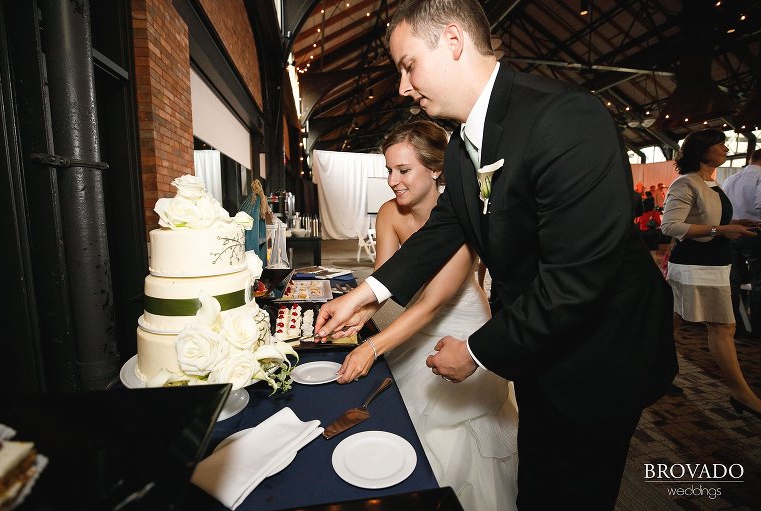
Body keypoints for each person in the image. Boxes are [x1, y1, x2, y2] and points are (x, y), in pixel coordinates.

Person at [314, 1, 678, 509]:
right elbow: (445, 229)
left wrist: (477, 351)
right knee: (536, 481)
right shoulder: (463, 148)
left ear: (453, 41)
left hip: (600, 355)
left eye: (409, 65)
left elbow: (577, 281)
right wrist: (365, 295)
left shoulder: (565, 119)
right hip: (536, 348)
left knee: (576, 493)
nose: (402, 87)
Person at [336, 120, 518, 511]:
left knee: (448, 432)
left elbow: (431, 302)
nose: (392, 181)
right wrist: (356, 314)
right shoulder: (389, 213)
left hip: (461, 324)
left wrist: (372, 345)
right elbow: (386, 281)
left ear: (436, 169)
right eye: (389, 170)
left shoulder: (462, 214)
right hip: (413, 325)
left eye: (403, 170)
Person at [661, 129, 761, 419]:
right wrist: (721, 229)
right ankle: (741, 393)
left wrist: (736, 223)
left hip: (714, 263)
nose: (726, 149)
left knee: (669, 325)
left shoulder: (712, 182)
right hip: (696, 266)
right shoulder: (686, 182)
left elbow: (709, 219)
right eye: (720, 144)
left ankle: (650, 373)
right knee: (722, 328)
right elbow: (670, 226)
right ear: (703, 150)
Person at [721, 149, 761, 339]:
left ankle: (733, 325)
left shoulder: (731, 179)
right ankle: (758, 328)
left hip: (730, 232)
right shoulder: (760, 177)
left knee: (732, 281)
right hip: (753, 233)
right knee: (759, 281)